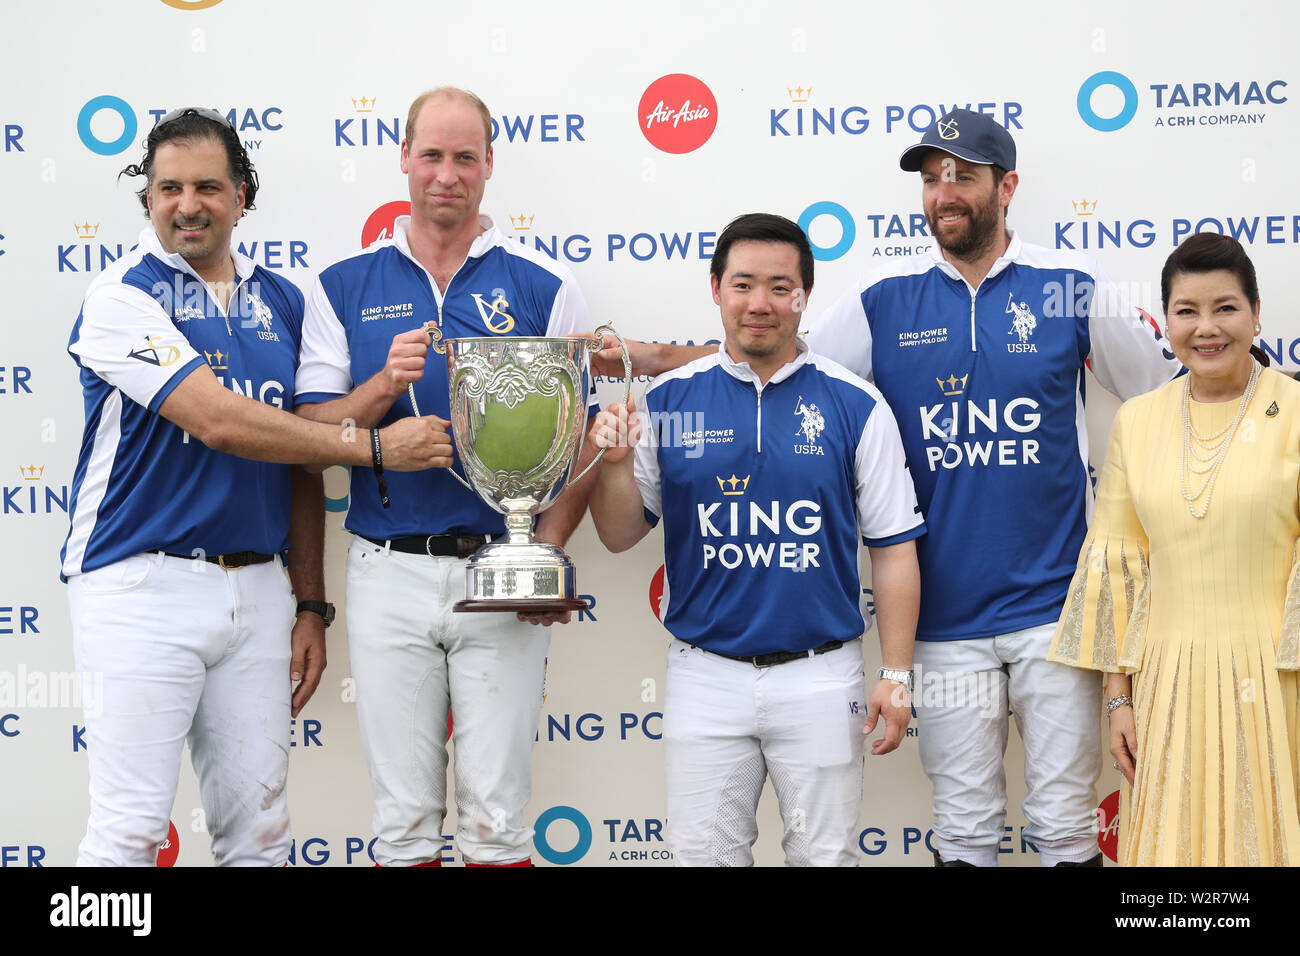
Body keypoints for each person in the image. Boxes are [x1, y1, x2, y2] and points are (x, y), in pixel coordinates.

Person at [601, 110, 1182, 866]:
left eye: (963, 176)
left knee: (1068, 824)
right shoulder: (883, 296)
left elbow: (1168, 385)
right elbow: (778, 356)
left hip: (1059, 617)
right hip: (944, 627)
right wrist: (649, 357)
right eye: (932, 177)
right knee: (967, 828)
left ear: (1006, 186)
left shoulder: (1070, 286)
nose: (945, 192)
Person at [63, 108, 449, 866]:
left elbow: (298, 461)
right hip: (141, 585)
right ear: (147, 199)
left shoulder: (288, 298)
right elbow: (218, 421)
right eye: (168, 187)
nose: (188, 203)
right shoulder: (122, 298)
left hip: (260, 591)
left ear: (242, 196)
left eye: (208, 185)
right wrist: (372, 446)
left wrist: (308, 602)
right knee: (130, 835)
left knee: (261, 838)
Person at [294, 87, 597, 867]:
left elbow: (579, 444)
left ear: (491, 164)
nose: (446, 174)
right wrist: (380, 397)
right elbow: (309, 436)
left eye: (466, 157)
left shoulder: (543, 286)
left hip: (498, 570)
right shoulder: (340, 286)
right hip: (385, 570)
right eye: (431, 154)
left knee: (497, 821)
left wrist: (548, 556)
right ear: (403, 157)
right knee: (403, 823)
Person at [587, 213, 923, 866]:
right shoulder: (668, 400)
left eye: (779, 287)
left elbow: (894, 550)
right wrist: (617, 464)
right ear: (716, 289)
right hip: (704, 678)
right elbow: (621, 534)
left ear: (804, 296)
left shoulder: (856, 404)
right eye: (743, 284)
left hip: (822, 676)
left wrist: (897, 673)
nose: (759, 304)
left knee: (824, 860)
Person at [1049, 233, 1300, 865]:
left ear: (1257, 313)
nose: (1207, 328)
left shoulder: (1295, 411)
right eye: (1187, 310)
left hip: (1277, 680)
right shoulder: (1138, 420)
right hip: (1166, 682)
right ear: (1166, 321)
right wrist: (1119, 697)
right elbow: (1117, 565)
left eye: (1226, 308)